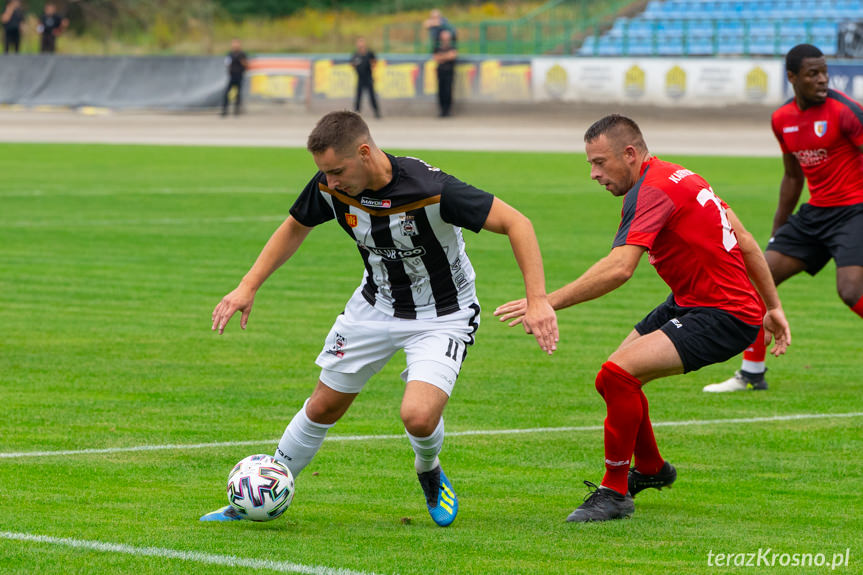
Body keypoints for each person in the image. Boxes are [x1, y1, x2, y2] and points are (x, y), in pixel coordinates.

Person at [201, 111, 558, 526]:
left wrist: (538, 300)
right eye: (324, 173)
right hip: (374, 307)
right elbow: (295, 226)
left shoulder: (432, 189)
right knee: (323, 407)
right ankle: (262, 491)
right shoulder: (331, 185)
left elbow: (519, 223)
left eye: (336, 170)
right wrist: (248, 285)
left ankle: (429, 469)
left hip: (442, 315)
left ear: (365, 152)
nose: (330, 183)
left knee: (418, 416)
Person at [494, 114, 791, 522]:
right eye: (590, 165)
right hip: (692, 301)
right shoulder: (681, 176)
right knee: (612, 380)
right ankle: (651, 468)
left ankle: (615, 492)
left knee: (619, 374)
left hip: (723, 313)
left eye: (600, 162)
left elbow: (620, 268)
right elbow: (746, 241)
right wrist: (772, 306)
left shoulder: (651, 191)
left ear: (630, 154)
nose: (594, 174)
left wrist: (545, 301)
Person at [704, 43, 863, 393]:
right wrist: (779, 232)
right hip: (815, 214)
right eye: (813, 74)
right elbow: (793, 177)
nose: (822, 79)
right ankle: (751, 373)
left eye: (824, 72)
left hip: (855, 210)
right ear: (792, 78)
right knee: (756, 276)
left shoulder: (847, 112)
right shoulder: (782, 119)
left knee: (851, 290)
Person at [351, 36, 380, 119]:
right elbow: (352, 63)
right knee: (358, 97)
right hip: (360, 78)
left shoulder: (369, 53)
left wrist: (372, 66)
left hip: (368, 78)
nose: (360, 44)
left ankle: (377, 112)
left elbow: (375, 61)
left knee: (372, 96)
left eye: (361, 42)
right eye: (359, 43)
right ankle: (356, 114)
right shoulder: (356, 54)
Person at [433, 29, 457, 118]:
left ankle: (448, 110)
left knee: (448, 91)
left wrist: (442, 57)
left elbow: (452, 56)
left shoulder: (452, 47)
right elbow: (436, 58)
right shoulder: (437, 47)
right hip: (440, 72)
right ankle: (442, 110)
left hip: (449, 71)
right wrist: (446, 56)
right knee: (441, 91)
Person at [221, 38, 248, 117]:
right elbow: (227, 63)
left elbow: (246, 64)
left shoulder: (242, 54)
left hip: (239, 75)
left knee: (238, 94)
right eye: (233, 43)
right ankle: (225, 110)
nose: (235, 45)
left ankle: (236, 110)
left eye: (236, 43)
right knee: (227, 93)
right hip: (232, 75)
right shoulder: (230, 54)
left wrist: (242, 61)